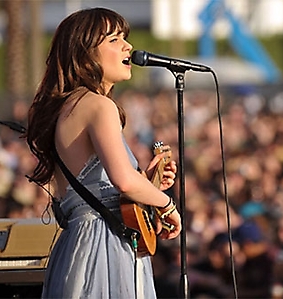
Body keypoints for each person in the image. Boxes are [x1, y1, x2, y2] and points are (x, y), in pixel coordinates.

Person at [24, 7, 181, 298]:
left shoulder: (66, 108)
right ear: (85, 52)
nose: (128, 46)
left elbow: (91, 193)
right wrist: (166, 204)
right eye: (114, 39)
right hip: (104, 248)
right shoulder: (99, 106)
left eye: (125, 37)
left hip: (77, 245)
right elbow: (123, 181)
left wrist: (148, 183)